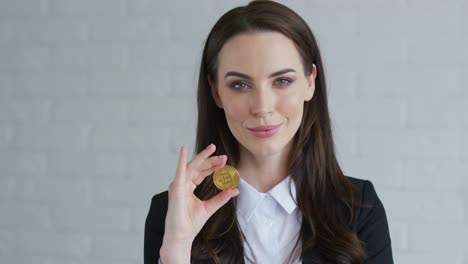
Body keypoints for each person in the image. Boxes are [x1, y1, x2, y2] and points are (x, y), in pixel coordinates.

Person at [144, 1, 393, 263]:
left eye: (282, 81)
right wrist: (178, 247)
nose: (262, 107)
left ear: (310, 82)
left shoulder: (359, 208)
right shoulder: (173, 211)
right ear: (216, 91)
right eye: (240, 85)